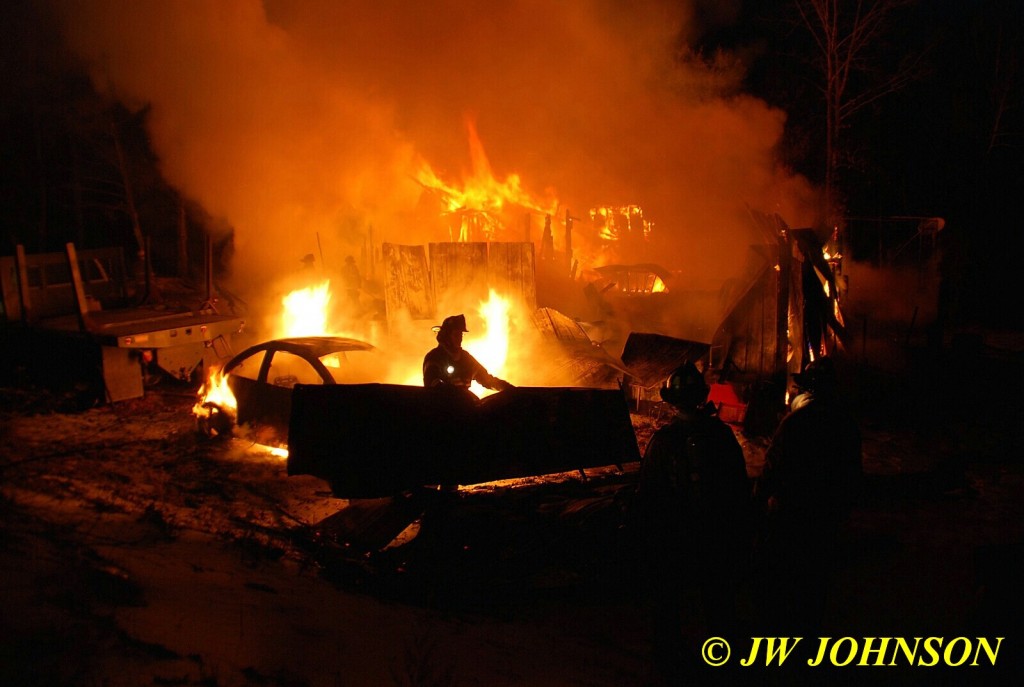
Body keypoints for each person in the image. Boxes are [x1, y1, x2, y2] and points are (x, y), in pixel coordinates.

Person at [633, 362, 751, 684]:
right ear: (701, 396)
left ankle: (670, 663)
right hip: (715, 537)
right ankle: (722, 661)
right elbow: (739, 489)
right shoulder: (722, 436)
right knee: (718, 603)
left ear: (671, 401)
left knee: (668, 603)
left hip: (675, 539)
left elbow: (649, 496)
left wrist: (648, 539)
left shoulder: (663, 441)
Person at [754, 356, 862, 636]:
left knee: (781, 571)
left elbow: (773, 465)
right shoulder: (846, 423)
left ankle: (777, 635)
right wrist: (844, 507)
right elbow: (852, 471)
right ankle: (808, 632)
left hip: (792, 510)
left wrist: (759, 499)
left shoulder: (795, 422)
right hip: (825, 512)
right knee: (815, 577)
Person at [422, 314, 512, 396]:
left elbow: (487, 379)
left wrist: (511, 389)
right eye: (456, 335)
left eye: (461, 335)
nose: (460, 339)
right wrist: (464, 396)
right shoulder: (434, 358)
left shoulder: (466, 358)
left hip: (465, 408)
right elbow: (434, 387)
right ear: (447, 335)